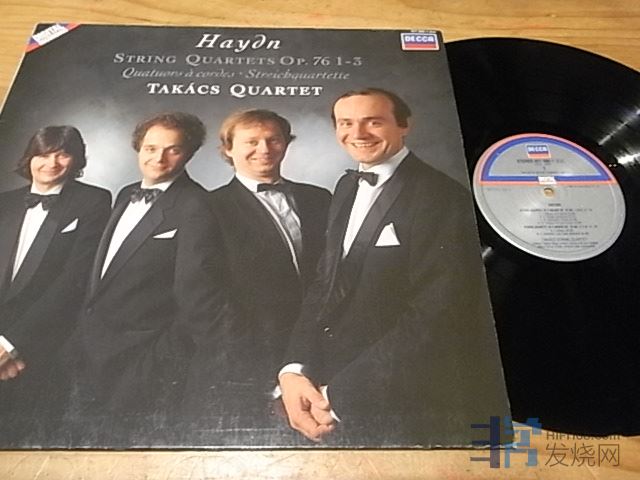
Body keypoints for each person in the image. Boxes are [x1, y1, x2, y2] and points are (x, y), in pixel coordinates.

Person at [278, 88, 510, 446]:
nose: (358, 133)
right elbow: (325, 283)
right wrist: (294, 369)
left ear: (404, 126)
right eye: (346, 123)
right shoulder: (345, 186)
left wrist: (337, 396)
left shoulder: (442, 197)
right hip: (328, 379)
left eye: (373, 122)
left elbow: (437, 314)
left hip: (404, 393)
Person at [74, 112, 231, 443]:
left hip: (144, 361)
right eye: (150, 148)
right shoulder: (125, 193)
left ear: (189, 154)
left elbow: (198, 297)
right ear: (138, 149)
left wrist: (159, 358)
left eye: (173, 150)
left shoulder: (197, 204)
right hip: (91, 351)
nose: (158, 158)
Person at [183, 109, 330, 441]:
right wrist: (273, 381)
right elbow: (200, 300)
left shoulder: (319, 198)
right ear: (228, 149)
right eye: (251, 141)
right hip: (242, 373)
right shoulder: (205, 206)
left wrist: (300, 363)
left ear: (286, 144)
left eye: (273, 139)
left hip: (314, 359)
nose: (264, 149)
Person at [0, 126, 111, 444]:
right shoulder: (5, 202)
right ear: (29, 158)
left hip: (43, 344)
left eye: (62, 155)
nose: (52, 163)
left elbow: (73, 280)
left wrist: (11, 344)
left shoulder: (94, 201)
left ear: (76, 161)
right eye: (43, 154)